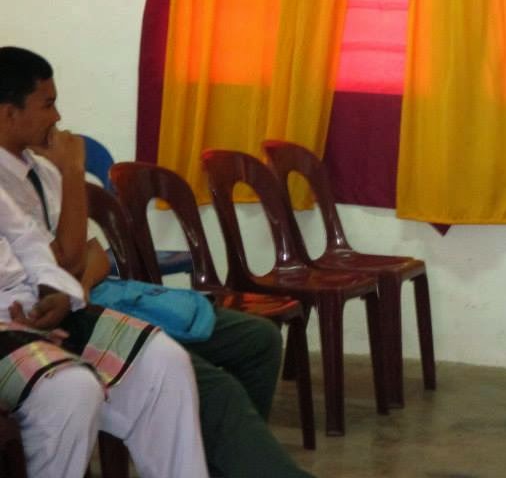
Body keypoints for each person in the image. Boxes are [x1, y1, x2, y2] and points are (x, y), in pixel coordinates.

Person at [0, 46, 311, 478]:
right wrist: (73, 174)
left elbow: (87, 255)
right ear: (8, 113)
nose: (58, 117)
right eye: (47, 104)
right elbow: (65, 258)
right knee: (209, 389)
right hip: (35, 317)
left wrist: (74, 287)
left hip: (83, 299)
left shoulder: (43, 170)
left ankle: (227, 463)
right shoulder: (45, 172)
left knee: (244, 343)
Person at [0, 185, 209, 478]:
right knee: (70, 388)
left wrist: (55, 290)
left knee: (164, 360)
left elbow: (27, 240)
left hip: (33, 306)